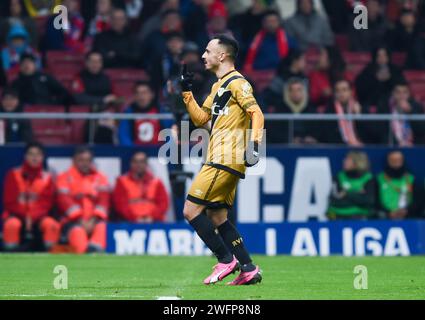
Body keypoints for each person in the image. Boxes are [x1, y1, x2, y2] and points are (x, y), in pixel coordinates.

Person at [180, 34, 264, 285]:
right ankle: (248, 267)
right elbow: (200, 119)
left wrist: (256, 145)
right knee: (218, 217)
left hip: (224, 158)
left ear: (222, 55)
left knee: (190, 210)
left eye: (208, 51)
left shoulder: (238, 83)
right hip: (223, 158)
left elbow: (256, 112)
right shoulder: (219, 86)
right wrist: (186, 92)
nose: (203, 56)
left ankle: (225, 259)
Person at [2, 142, 59, 251]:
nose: (34, 158)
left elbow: (46, 204)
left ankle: (51, 259)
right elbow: (10, 202)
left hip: (39, 217)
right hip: (16, 214)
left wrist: (31, 216)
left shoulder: (48, 178)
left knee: (52, 225)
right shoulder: (13, 174)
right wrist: (25, 215)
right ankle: (10, 259)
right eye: (31, 154)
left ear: (42, 157)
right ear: (25, 156)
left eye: (38, 155)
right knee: (11, 225)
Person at [56, 147, 110, 253]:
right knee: (78, 234)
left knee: (103, 227)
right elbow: (64, 201)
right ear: (74, 161)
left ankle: (95, 254)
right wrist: (81, 220)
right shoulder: (64, 177)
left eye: (88, 160)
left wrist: (93, 220)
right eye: (81, 160)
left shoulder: (100, 177)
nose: (85, 163)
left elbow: (104, 201)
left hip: (95, 220)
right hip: (72, 222)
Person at [113, 152, 169, 222]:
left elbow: (163, 204)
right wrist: (134, 218)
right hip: (130, 222)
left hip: (154, 221)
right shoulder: (122, 181)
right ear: (131, 164)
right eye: (135, 162)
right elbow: (120, 205)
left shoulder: (157, 182)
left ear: (146, 164)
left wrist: (152, 217)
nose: (138, 165)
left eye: (142, 162)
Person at [264, 77, 317, 144]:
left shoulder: (311, 109)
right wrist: (290, 140)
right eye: (292, 90)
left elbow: (318, 131)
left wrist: (310, 138)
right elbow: (274, 132)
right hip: (285, 148)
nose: (295, 93)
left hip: (309, 148)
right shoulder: (280, 109)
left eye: (299, 90)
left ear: (304, 92)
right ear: (287, 92)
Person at [376, 151, 424, 219]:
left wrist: (406, 211)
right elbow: (375, 200)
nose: (396, 162)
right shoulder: (379, 179)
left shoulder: (411, 179)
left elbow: (418, 200)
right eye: (393, 160)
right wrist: (388, 212)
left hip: (408, 217)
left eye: (399, 160)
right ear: (387, 161)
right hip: (384, 218)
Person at [327, 151, 376, 220]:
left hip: (358, 216)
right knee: (330, 215)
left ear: (357, 162)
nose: (344, 161)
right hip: (335, 215)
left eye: (348, 160)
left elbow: (368, 201)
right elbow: (333, 200)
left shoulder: (368, 178)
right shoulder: (339, 177)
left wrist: (347, 193)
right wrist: (356, 193)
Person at [317, 79, 362, 146]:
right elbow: (328, 135)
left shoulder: (359, 108)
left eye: (344, 90)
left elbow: (367, 133)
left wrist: (358, 115)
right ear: (334, 94)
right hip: (339, 148)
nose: (341, 93)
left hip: (360, 146)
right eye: (338, 91)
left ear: (351, 92)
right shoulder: (329, 111)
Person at [118, 81, 162, 146]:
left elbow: (170, 134)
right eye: (137, 93)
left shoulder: (161, 112)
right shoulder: (128, 113)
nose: (141, 96)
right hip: (135, 153)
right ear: (134, 96)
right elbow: (123, 136)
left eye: (144, 93)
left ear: (152, 94)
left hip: (159, 153)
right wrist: (134, 152)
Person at [383, 80, 425, 146]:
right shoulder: (386, 107)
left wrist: (410, 111)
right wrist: (397, 144)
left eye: (405, 92)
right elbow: (383, 131)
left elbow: (421, 130)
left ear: (409, 94)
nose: (401, 96)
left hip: (414, 146)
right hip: (393, 147)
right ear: (393, 93)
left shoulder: (416, 106)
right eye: (398, 92)